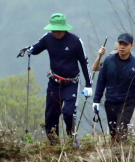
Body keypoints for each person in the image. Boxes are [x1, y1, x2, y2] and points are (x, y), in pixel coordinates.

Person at [18, 13, 91, 143]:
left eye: (58, 30)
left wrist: (89, 85)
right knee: (51, 116)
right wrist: (29, 50)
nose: (56, 33)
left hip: (71, 83)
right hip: (54, 83)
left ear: (64, 28)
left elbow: (84, 63)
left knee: (68, 113)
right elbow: (37, 47)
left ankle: (71, 139)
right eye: (53, 30)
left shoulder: (75, 42)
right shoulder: (48, 38)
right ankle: (54, 143)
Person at [93, 33, 135, 140]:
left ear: (131, 46)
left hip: (127, 102)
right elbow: (101, 81)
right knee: (113, 133)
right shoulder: (108, 61)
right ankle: (116, 155)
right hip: (110, 101)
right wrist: (96, 100)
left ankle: (122, 153)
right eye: (120, 44)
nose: (122, 47)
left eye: (125, 44)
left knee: (121, 131)